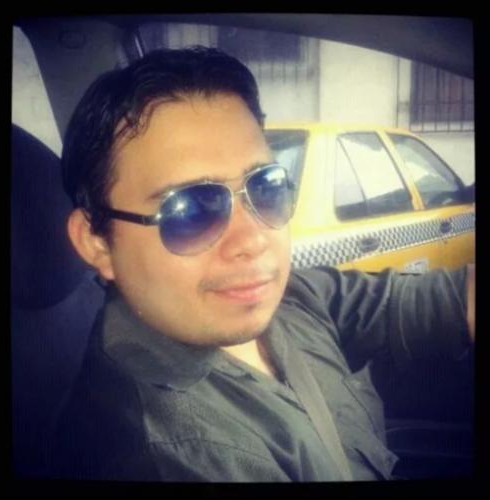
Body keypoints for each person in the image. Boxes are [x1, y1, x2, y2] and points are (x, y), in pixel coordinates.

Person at [49, 46, 475, 482]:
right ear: (96, 243)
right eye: (190, 210)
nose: (253, 240)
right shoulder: (177, 457)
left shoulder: (293, 298)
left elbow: (430, 301)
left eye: (266, 187)